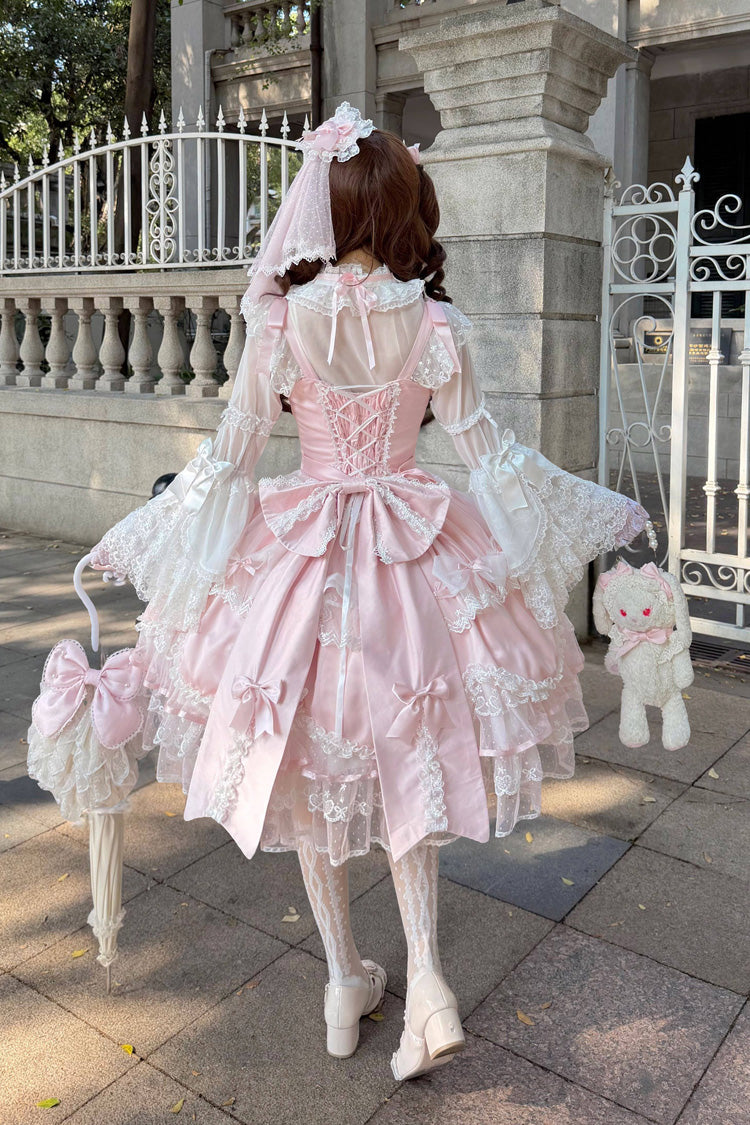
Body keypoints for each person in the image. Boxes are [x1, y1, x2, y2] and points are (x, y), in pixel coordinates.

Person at [88, 103, 648, 1080]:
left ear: (326, 207)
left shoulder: (280, 322)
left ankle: (345, 979)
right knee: (407, 764)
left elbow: (230, 458)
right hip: (412, 549)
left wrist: (145, 541)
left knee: (315, 775)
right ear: (395, 205)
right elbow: (490, 454)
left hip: (299, 562)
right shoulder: (432, 322)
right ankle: (425, 978)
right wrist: (581, 513)